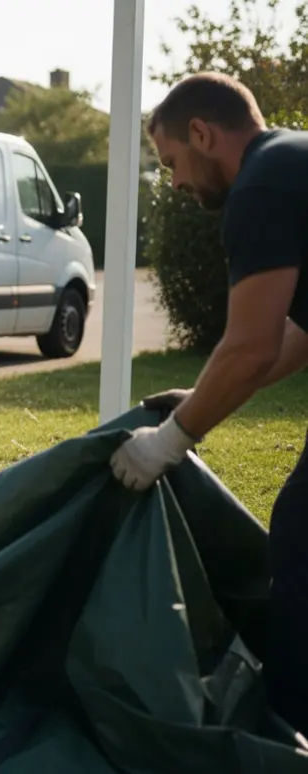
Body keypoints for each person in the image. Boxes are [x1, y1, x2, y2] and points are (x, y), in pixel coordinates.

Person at [109, 71, 308, 731]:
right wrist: (200, 398)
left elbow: (249, 347)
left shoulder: (262, 185)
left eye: (170, 162)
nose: (173, 182)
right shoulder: (292, 163)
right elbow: (293, 339)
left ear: (202, 132)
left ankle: (287, 735)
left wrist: (168, 443)